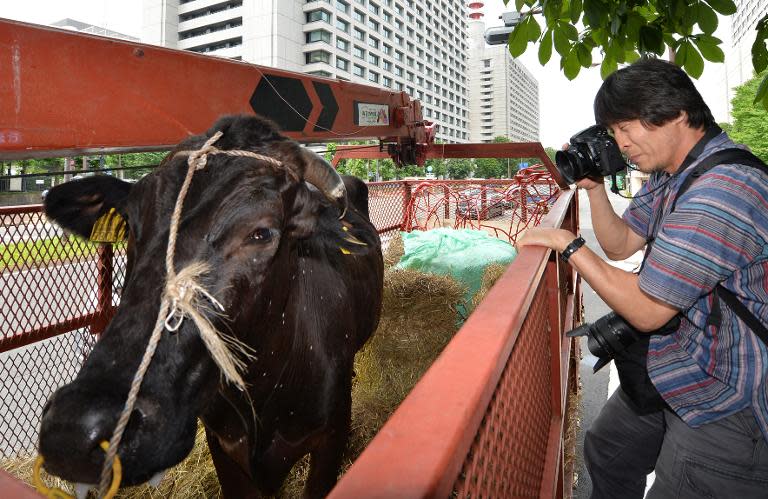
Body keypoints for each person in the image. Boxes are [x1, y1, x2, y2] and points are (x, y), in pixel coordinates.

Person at [517, 57, 768, 497]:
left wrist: (569, 246)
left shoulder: (720, 191)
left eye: (625, 127)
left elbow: (648, 309)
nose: (620, 143)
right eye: (613, 132)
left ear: (674, 113)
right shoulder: (671, 174)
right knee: (607, 449)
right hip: (685, 362)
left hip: (732, 394)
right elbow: (621, 244)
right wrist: (594, 190)